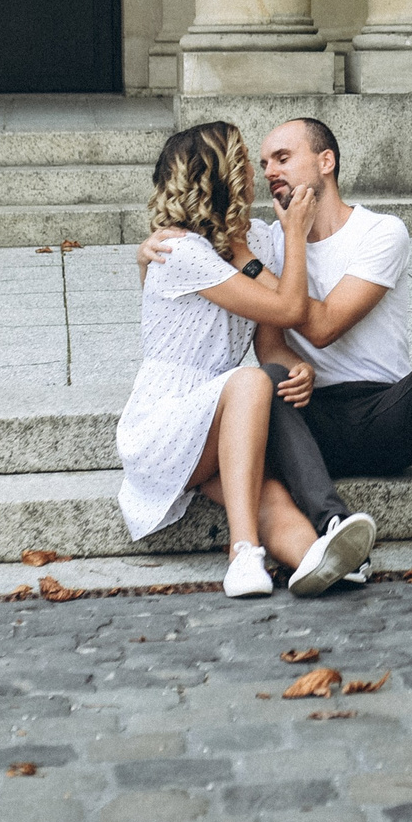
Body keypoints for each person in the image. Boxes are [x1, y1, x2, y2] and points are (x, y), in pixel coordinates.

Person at [137, 117, 412, 589]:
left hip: (381, 412)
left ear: (326, 162)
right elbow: (271, 345)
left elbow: (320, 326)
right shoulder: (269, 240)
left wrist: (270, 250)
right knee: (265, 382)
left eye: (282, 158)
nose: (268, 172)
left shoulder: (381, 232)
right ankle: (333, 528)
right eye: (262, 163)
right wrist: (146, 255)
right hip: (305, 422)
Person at [114, 121, 373, 598]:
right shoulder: (179, 249)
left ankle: (321, 559)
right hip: (165, 422)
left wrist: (299, 365)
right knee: (251, 382)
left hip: (224, 421)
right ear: (223, 175)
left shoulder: (258, 239)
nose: (258, 172)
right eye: (246, 162)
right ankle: (242, 554)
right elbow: (291, 308)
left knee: (268, 497)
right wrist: (295, 237)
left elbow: (271, 343)